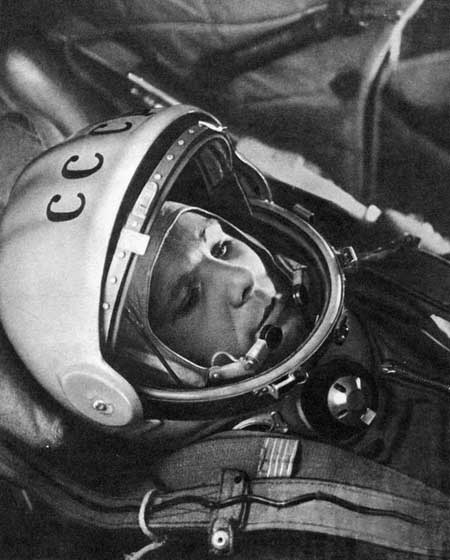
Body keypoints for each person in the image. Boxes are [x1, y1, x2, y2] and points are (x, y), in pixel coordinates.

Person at [1, 104, 450, 559]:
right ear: (117, 386)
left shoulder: (377, 281)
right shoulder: (237, 540)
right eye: (188, 297)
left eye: (219, 245)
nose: (239, 278)